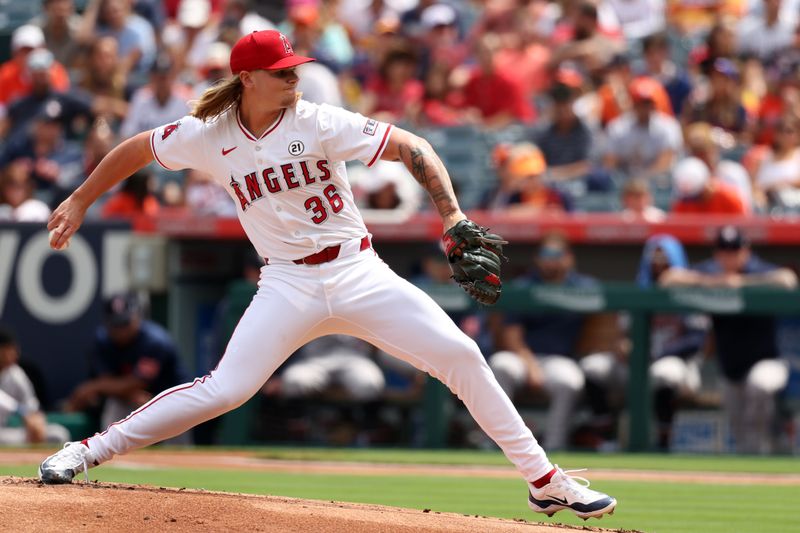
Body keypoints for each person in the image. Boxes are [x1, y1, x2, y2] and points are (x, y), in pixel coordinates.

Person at [38, 30, 615, 520]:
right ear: (248, 80)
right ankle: (86, 450)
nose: (294, 78)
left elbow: (412, 145)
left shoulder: (317, 120)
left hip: (358, 270)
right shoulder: (208, 135)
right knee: (226, 390)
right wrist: (82, 199)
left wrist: (453, 216)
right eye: (281, 72)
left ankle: (544, 481)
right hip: (287, 282)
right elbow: (137, 148)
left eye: (295, 69)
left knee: (461, 355)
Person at [660, 226, 797, 453]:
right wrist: (713, 282)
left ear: (746, 250)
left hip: (767, 361)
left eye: (734, 250)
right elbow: (668, 279)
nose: (729, 256)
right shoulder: (712, 272)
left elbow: (788, 280)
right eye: (723, 250)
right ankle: (750, 474)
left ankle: (772, 450)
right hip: (730, 368)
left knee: (759, 385)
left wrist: (742, 283)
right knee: (740, 431)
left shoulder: (757, 269)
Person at [488, 232, 613, 450]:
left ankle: (554, 449)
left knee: (570, 382)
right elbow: (511, 336)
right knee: (500, 365)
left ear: (569, 258)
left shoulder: (583, 287)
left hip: (559, 359)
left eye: (558, 254)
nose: (552, 259)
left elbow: (605, 326)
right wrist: (531, 365)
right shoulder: (524, 286)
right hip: (523, 357)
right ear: (538, 258)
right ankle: (498, 443)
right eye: (547, 254)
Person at [64, 293, 190, 435]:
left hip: (168, 399)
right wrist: (126, 393)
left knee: (174, 425)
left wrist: (92, 387)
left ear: (136, 317)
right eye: (116, 325)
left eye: (125, 323)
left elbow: (138, 382)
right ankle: (111, 446)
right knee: (116, 404)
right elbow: (108, 382)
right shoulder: (102, 341)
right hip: (131, 398)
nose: (121, 331)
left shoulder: (155, 341)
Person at [635, 235, 710, 450]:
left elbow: (695, 340)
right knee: (597, 368)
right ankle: (606, 438)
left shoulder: (690, 294)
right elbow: (625, 333)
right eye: (655, 259)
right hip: (641, 363)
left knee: (664, 371)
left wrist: (658, 353)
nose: (659, 265)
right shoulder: (640, 290)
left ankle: (663, 440)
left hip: (682, 365)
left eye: (665, 259)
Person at [0, 326, 70, 445]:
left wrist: (37, 423)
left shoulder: (15, 374)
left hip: (5, 432)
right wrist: (21, 411)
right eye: (9, 349)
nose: (15, 354)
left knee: (58, 434)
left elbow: (31, 406)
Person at [670, 157, 748, 214]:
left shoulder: (730, 198)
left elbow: (743, 227)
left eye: (696, 196)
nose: (692, 201)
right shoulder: (684, 202)